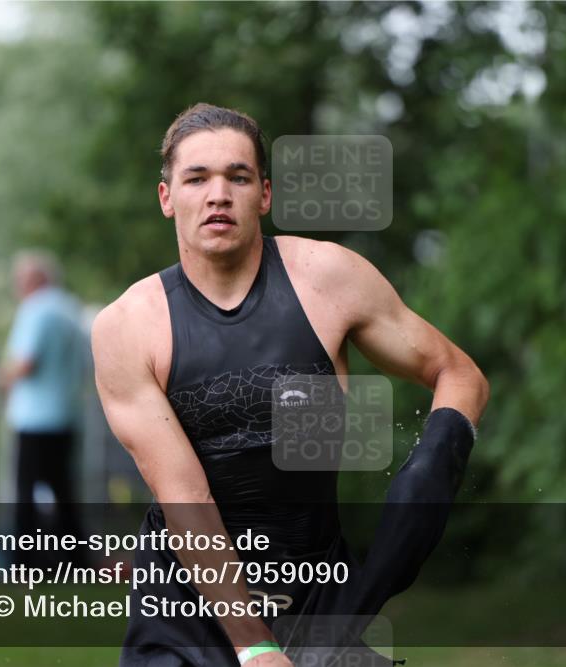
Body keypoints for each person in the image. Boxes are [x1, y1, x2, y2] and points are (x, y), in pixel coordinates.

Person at [92, 103, 489, 666]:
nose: (218, 194)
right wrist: (255, 647)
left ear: (266, 195)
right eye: (196, 178)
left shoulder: (329, 279)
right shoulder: (127, 327)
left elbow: (458, 372)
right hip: (184, 609)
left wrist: (430, 469)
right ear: (166, 199)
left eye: (238, 176)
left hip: (314, 592)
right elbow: (187, 500)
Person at [0, 249, 89, 565]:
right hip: (66, 413)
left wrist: (2, 378)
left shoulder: (35, 310)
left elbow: (25, 362)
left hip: (34, 417)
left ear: (33, 279)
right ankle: (76, 558)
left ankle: (25, 560)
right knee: (64, 490)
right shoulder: (70, 310)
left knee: (26, 491)